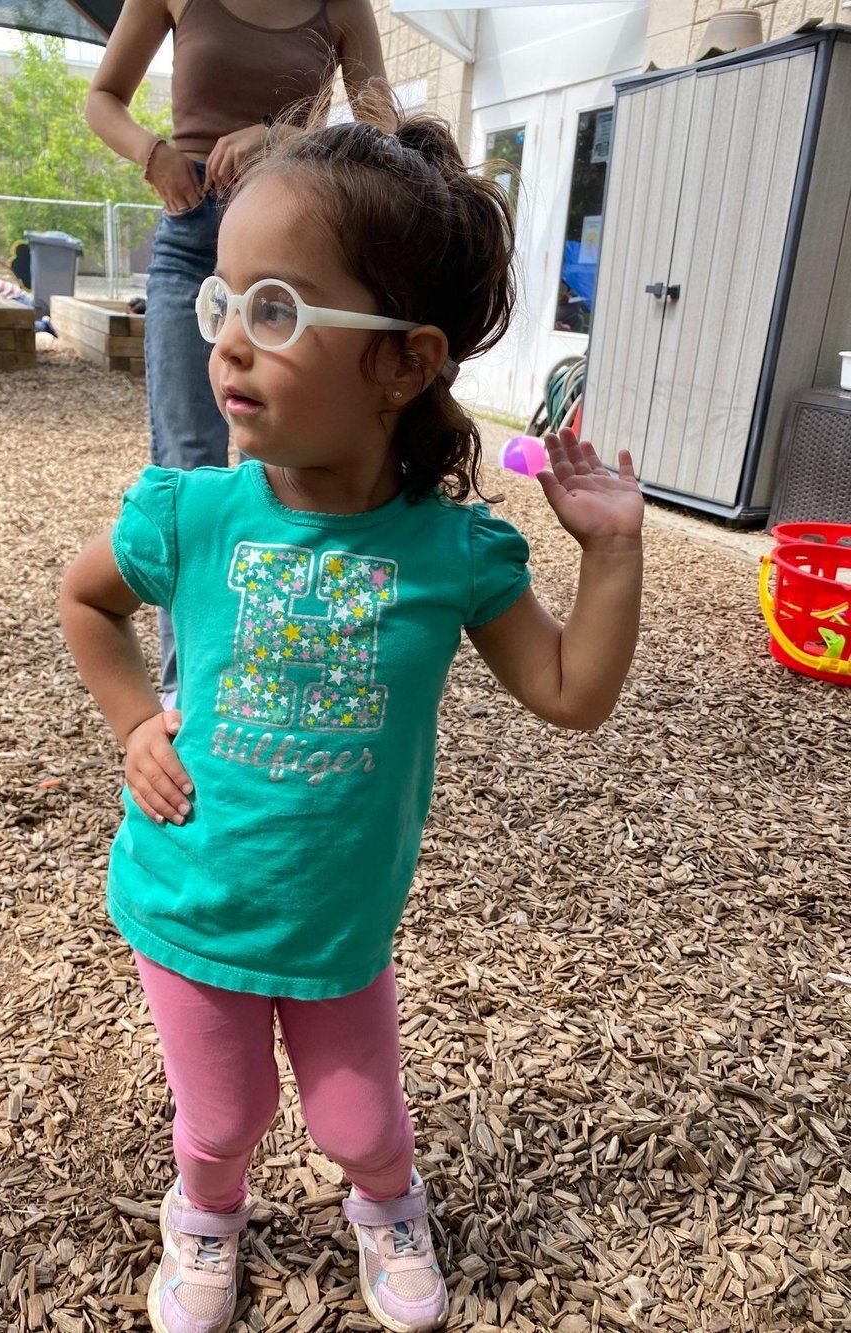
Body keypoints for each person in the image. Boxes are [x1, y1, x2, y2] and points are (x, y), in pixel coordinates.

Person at [61, 104, 644, 1333]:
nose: (227, 345)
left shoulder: (450, 553)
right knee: (218, 1119)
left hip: (338, 924)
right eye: (224, 304)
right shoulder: (191, 514)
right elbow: (84, 603)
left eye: (275, 311)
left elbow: (570, 696)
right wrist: (131, 724)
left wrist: (614, 554)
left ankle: (387, 1199)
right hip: (191, 897)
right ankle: (205, 1213)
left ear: (403, 362)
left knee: (361, 1123)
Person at [85, 0, 391, 710]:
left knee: (280, 466)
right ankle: (183, 691)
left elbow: (384, 126)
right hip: (191, 230)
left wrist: (281, 135)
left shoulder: (343, 4)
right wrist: (152, 154)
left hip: (297, 244)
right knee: (184, 462)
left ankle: (266, 668)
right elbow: (102, 100)